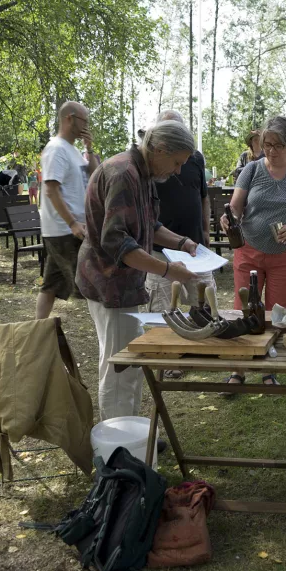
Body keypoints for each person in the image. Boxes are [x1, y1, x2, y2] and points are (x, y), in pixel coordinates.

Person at [75, 120, 199, 420]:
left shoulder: (143, 173)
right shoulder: (123, 174)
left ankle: (134, 435)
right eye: (177, 162)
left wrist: (182, 242)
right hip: (109, 282)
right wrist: (171, 270)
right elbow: (118, 242)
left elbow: (150, 225)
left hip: (125, 283)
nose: (178, 171)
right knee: (119, 366)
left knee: (132, 364)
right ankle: (119, 451)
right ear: (159, 150)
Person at [219, 116, 286, 391]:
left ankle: (269, 370)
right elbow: (236, 207)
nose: (270, 151)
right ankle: (238, 369)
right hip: (249, 251)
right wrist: (229, 218)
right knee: (243, 310)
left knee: (277, 314)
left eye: (278, 145)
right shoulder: (252, 170)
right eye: (267, 145)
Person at [144, 110, 215, 379]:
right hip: (160, 250)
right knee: (163, 305)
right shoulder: (148, 166)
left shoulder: (195, 159)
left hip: (194, 245)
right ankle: (169, 357)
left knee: (204, 301)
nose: (178, 169)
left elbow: (203, 196)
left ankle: (205, 349)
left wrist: (206, 229)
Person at [36, 101, 98, 320]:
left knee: (51, 284)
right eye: (84, 120)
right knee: (91, 284)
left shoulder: (72, 150)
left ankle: (37, 330)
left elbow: (96, 174)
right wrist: (72, 223)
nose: (87, 125)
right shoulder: (56, 149)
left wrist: (89, 148)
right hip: (65, 229)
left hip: (70, 228)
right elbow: (51, 190)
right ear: (69, 118)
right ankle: (105, 331)